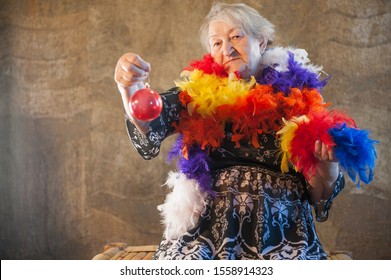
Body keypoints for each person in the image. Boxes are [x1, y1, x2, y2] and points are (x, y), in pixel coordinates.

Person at [114, 2, 376, 260]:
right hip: (207, 231)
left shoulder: (298, 96)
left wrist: (327, 166)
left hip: (283, 232)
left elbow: (320, 194)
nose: (227, 49)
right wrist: (130, 89)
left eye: (236, 36)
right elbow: (148, 118)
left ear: (261, 42)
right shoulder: (196, 94)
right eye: (216, 43)